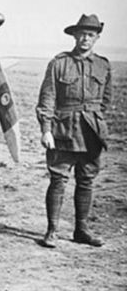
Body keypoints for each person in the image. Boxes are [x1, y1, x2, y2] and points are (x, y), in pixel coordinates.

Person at [36, 14, 111, 248]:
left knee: (86, 180)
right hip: (64, 130)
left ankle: (82, 230)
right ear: (75, 36)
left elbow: (105, 101)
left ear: (97, 38)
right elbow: (47, 98)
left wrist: (96, 121)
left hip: (91, 133)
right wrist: (46, 129)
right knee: (58, 180)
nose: (85, 39)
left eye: (90, 35)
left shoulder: (103, 65)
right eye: (82, 34)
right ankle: (52, 231)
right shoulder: (59, 63)